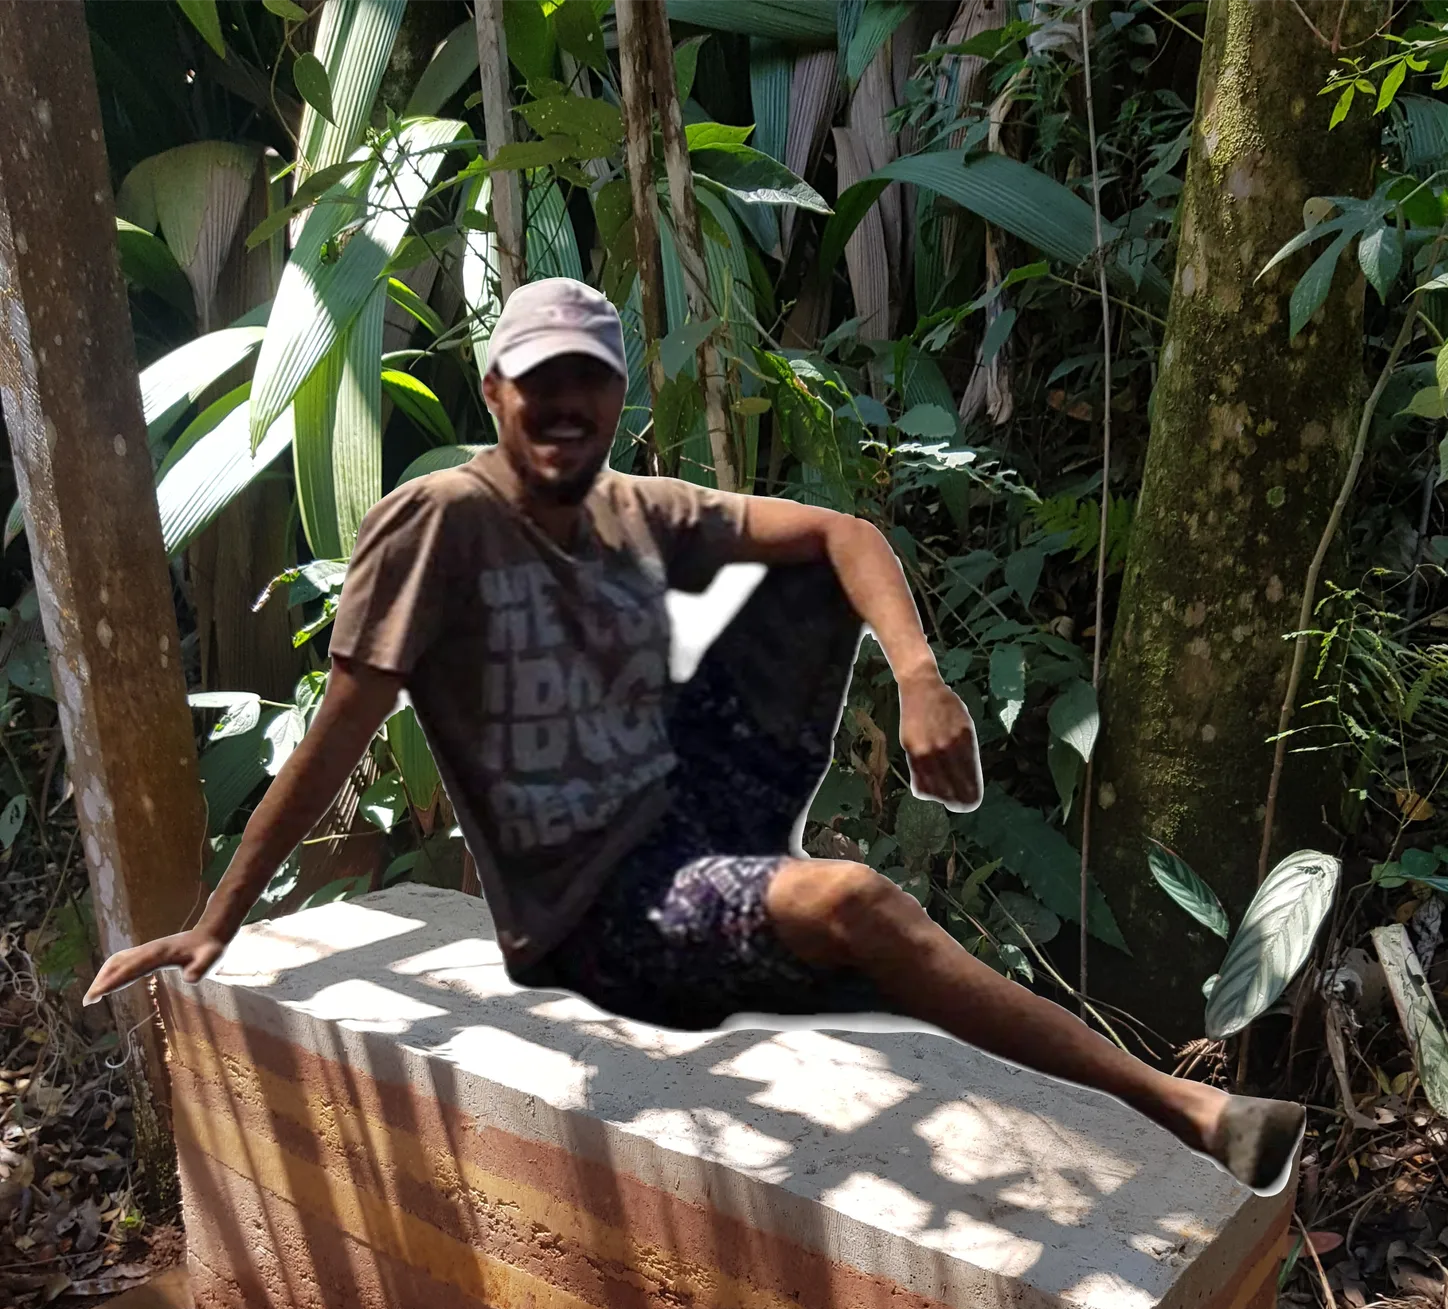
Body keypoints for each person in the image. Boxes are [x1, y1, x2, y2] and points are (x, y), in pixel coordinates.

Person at [87, 277, 1303, 1194]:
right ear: (494, 392)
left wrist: (921, 678)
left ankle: (775, 886)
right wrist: (218, 916)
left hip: (681, 804)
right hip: (594, 910)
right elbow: (337, 731)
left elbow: (843, 533)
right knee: (860, 907)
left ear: (616, 397)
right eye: (537, 381)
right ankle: (1179, 1107)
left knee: (809, 563)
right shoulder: (438, 522)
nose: (563, 404)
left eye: (587, 381)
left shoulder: (637, 506)